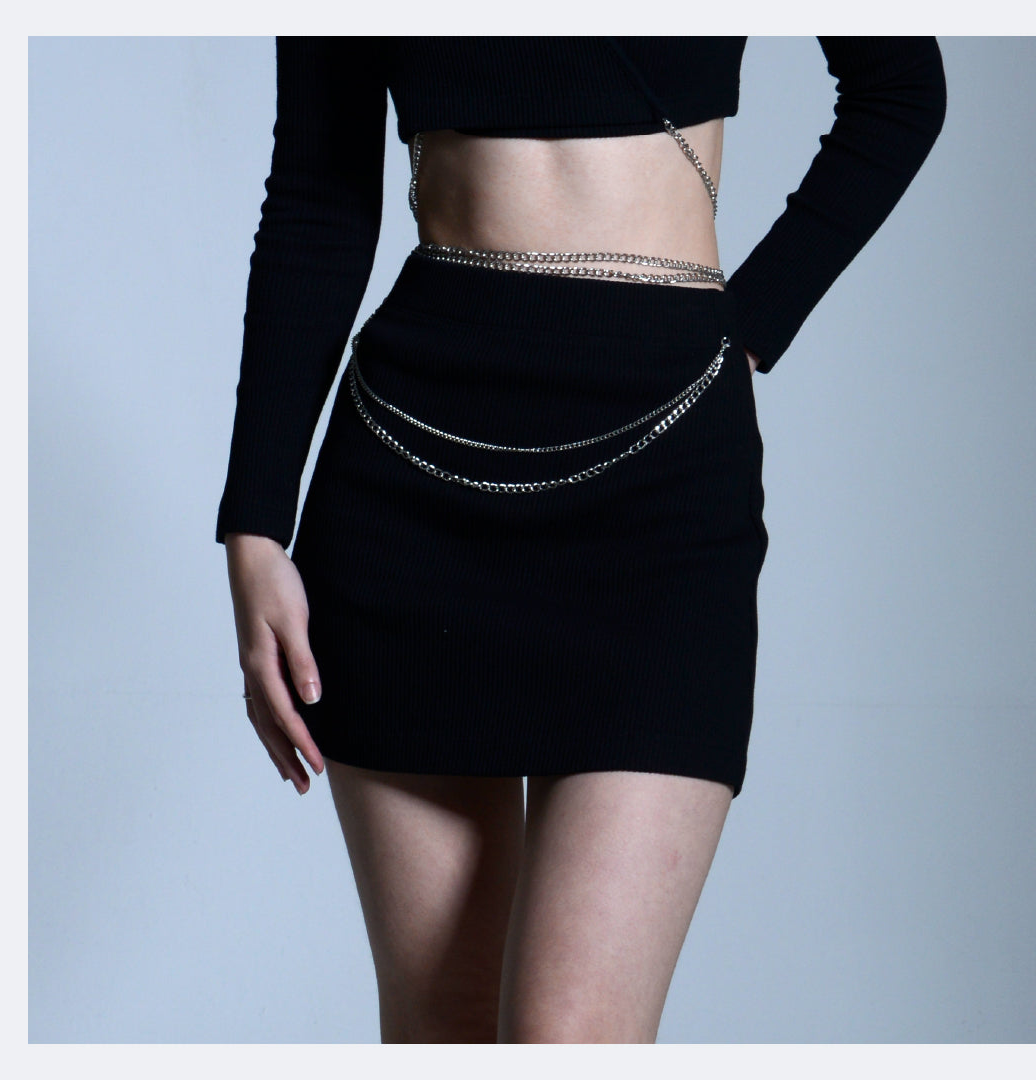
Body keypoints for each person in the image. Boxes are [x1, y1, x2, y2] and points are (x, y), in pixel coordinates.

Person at [216, 37, 947, 1042]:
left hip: (661, 480)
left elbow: (901, 87)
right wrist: (255, 524)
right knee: (444, 1034)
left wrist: (746, 324)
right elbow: (319, 192)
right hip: (409, 475)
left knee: (573, 1034)